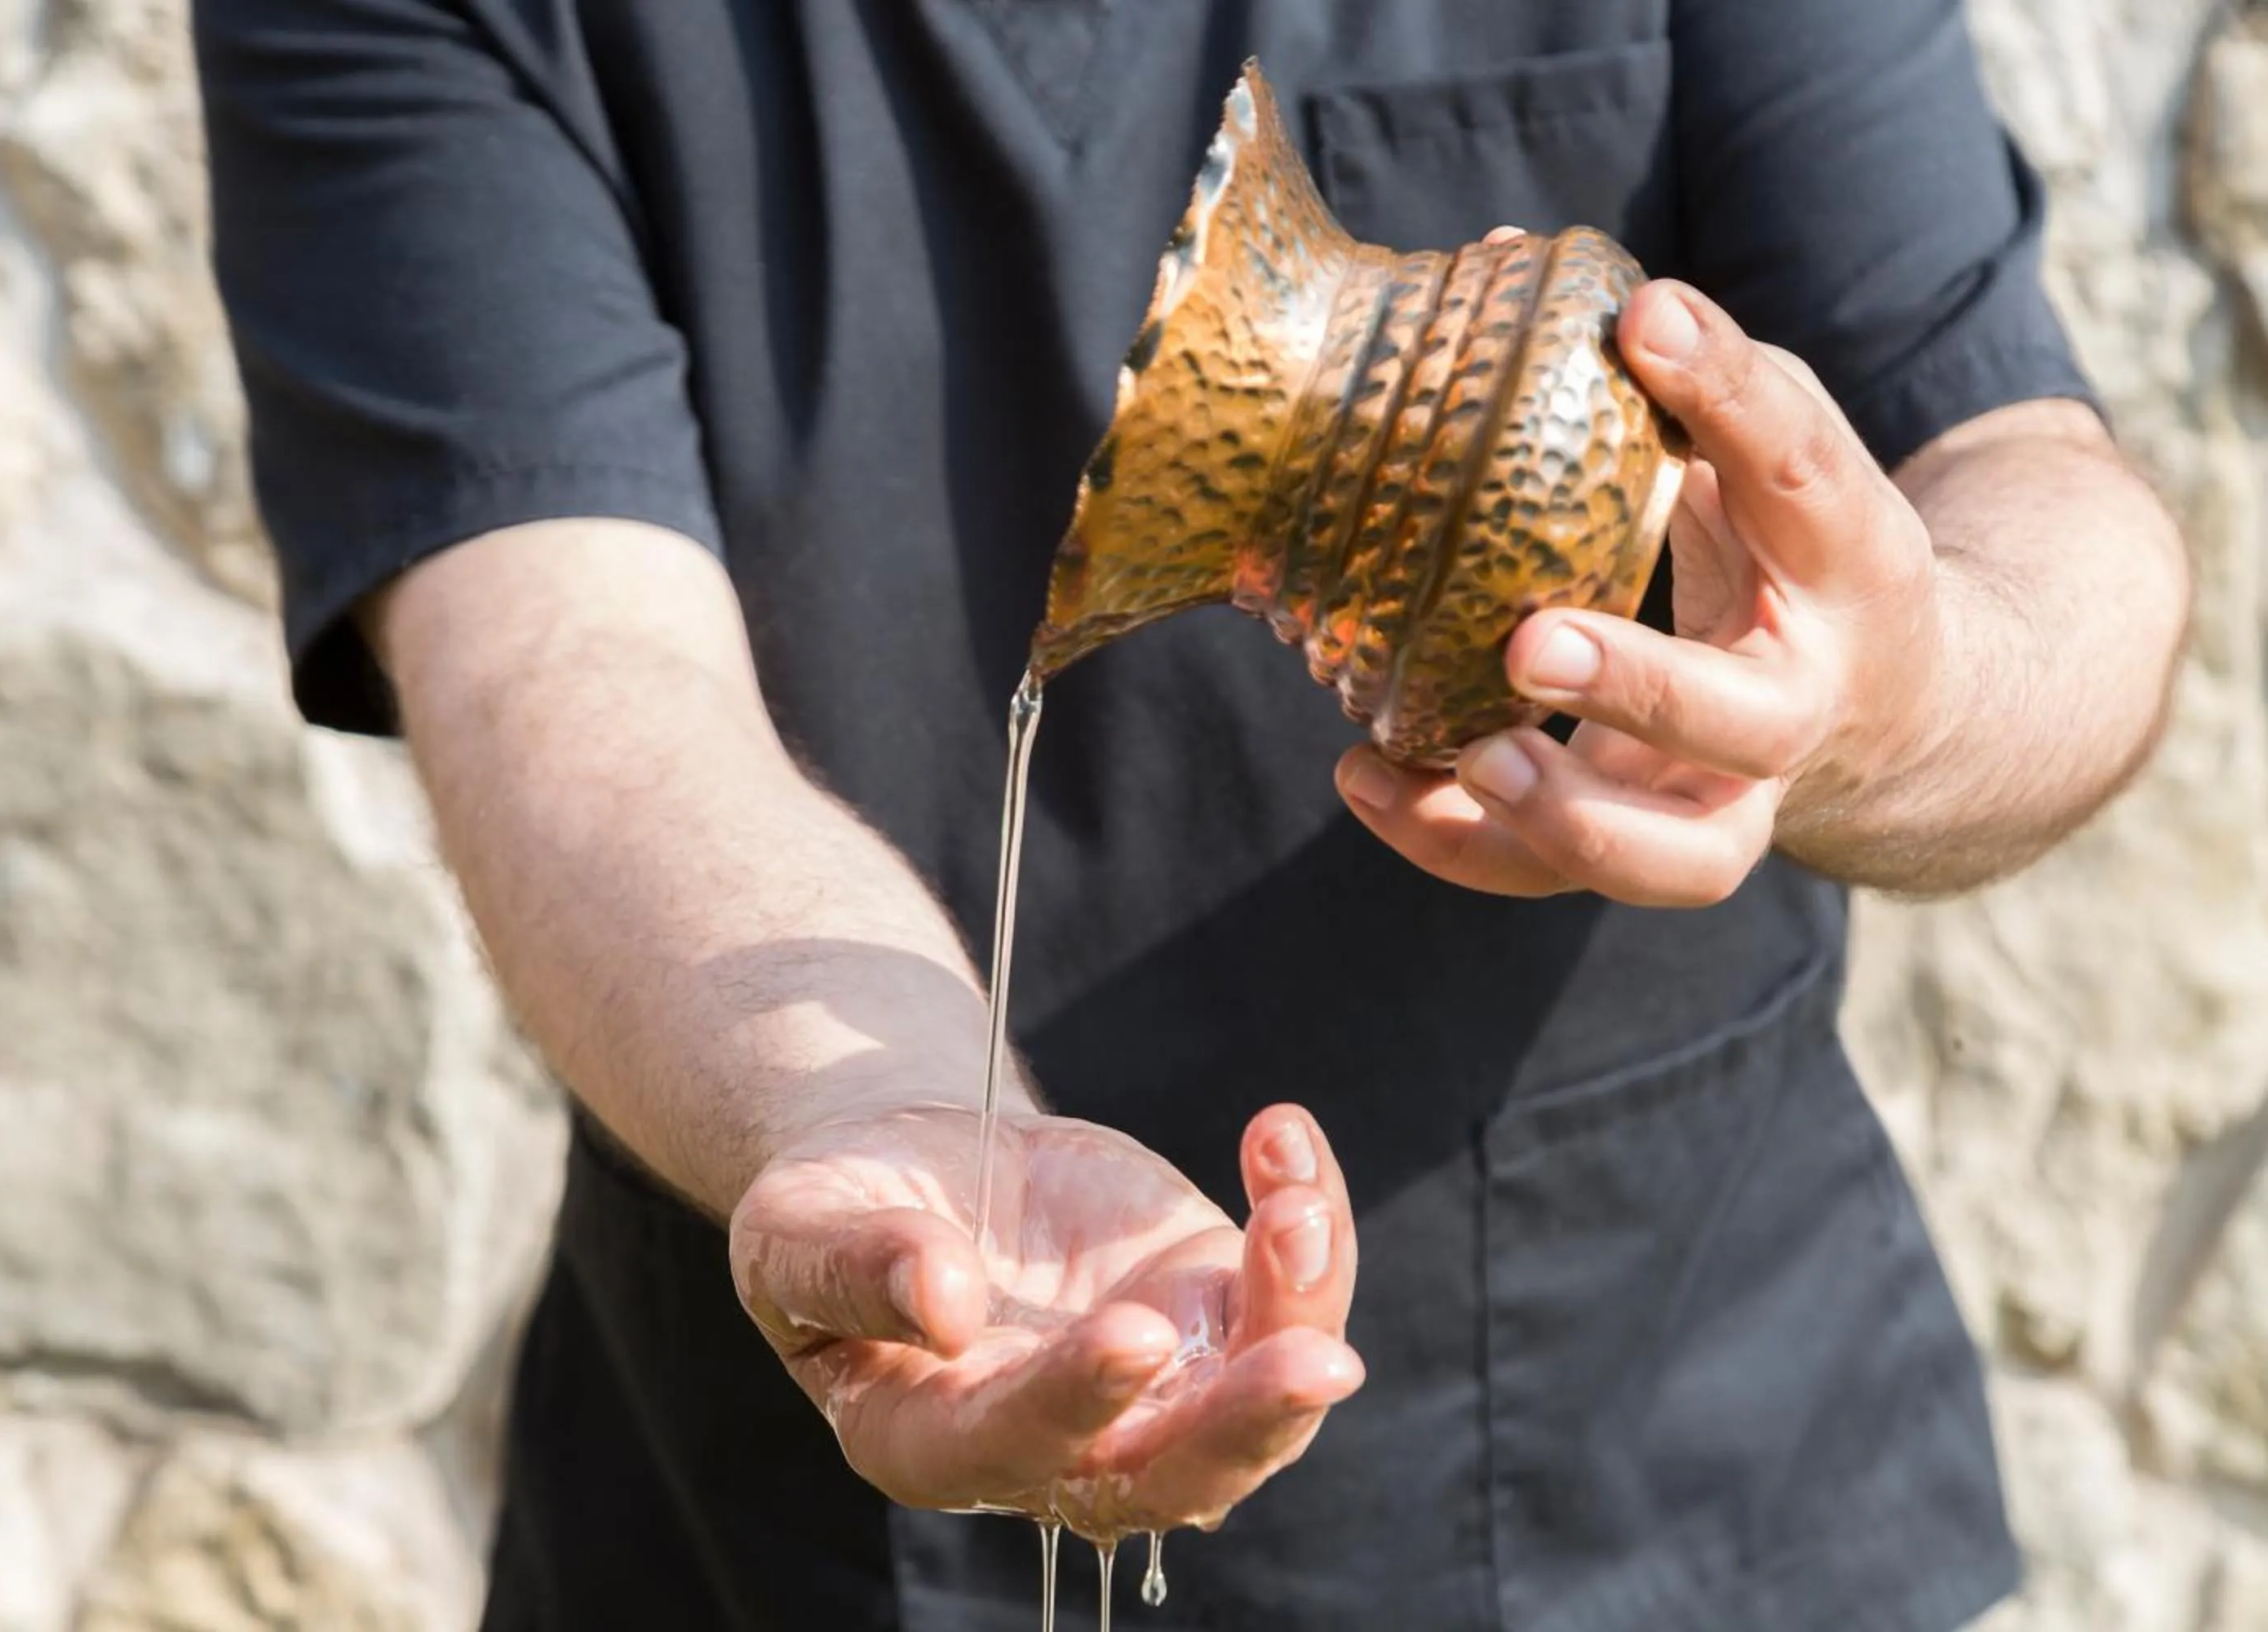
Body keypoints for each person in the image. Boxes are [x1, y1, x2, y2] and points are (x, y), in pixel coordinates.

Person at [191, 3, 2188, 1628]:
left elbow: (2033, 488)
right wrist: (872, 1116)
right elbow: (568, 661)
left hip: (1657, 1481)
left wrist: (1892, 694)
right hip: (777, 1523)